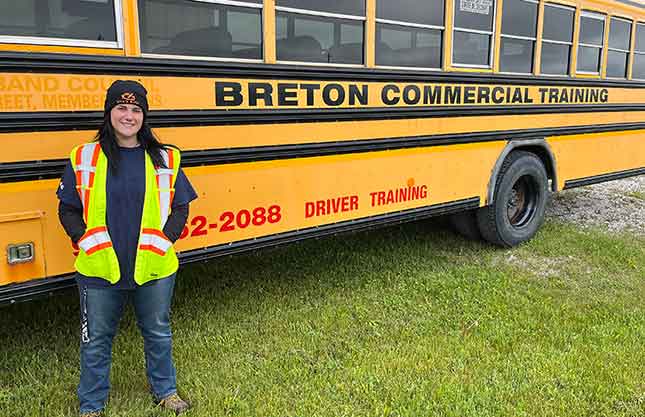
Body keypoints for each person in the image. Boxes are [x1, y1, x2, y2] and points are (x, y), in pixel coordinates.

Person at [57, 80, 197, 417]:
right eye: (121, 108)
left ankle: (166, 392)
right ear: (109, 113)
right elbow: (67, 209)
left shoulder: (165, 157)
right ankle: (91, 405)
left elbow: (181, 206)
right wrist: (84, 240)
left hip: (154, 266)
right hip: (99, 268)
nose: (128, 115)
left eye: (136, 110)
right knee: (95, 342)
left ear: (144, 117)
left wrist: (166, 240)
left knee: (158, 333)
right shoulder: (85, 157)